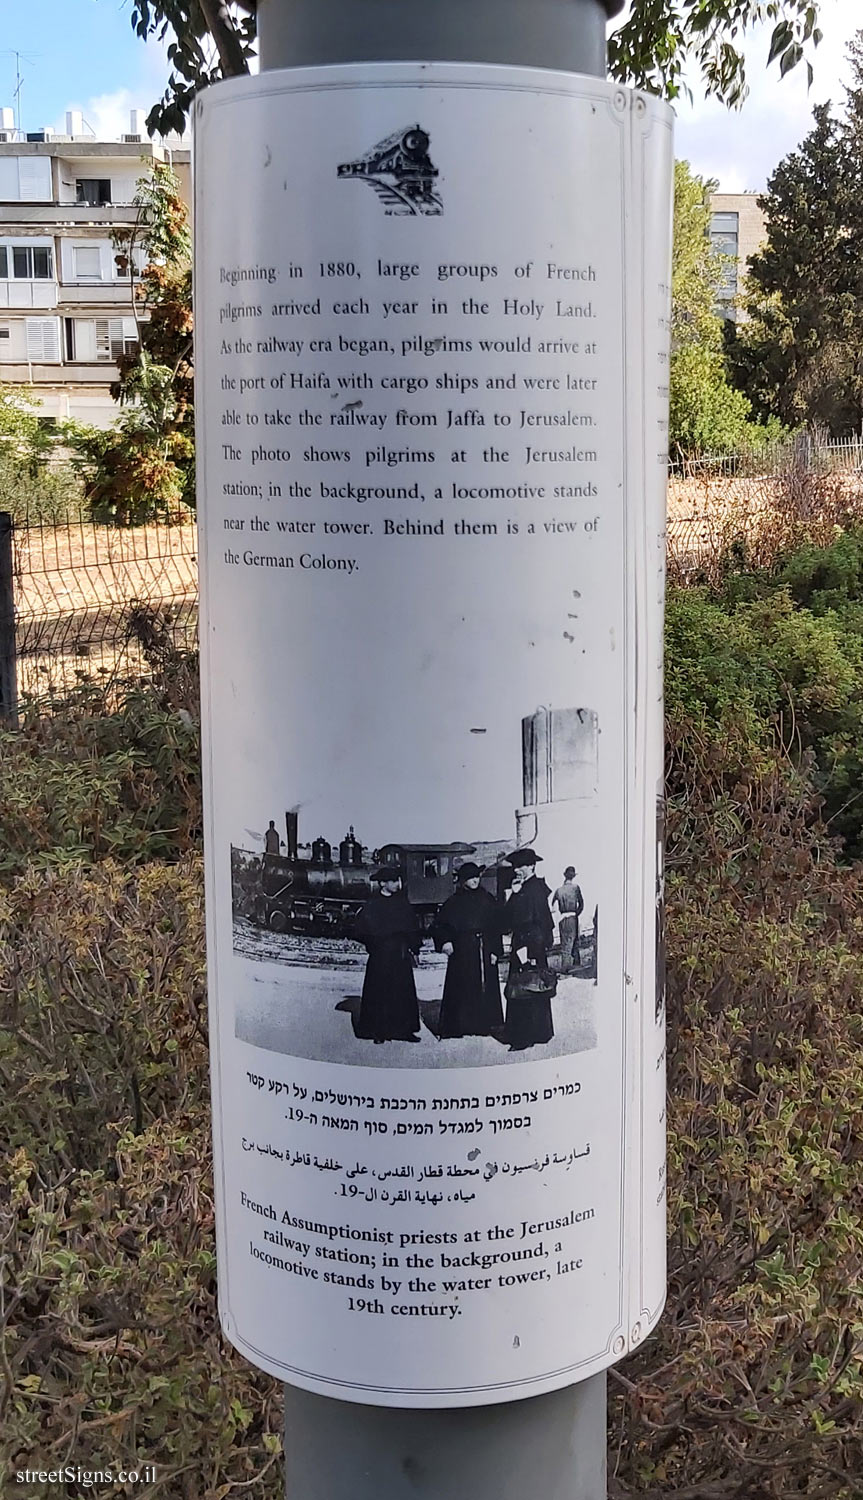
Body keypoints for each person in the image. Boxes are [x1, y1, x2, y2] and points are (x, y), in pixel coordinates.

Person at [433, 862, 504, 1038]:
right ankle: (461, 1025)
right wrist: (446, 942)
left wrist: (496, 950)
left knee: (484, 985)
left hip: (484, 947)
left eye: (477, 877)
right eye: (470, 877)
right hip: (462, 949)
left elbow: (496, 926)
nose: (474, 880)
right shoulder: (454, 901)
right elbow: (440, 926)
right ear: (463, 880)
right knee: (462, 985)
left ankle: (484, 1025)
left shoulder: (487, 899)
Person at [353, 869, 422, 1043]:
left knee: (402, 991)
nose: (396, 884)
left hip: (400, 954)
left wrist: (415, 948)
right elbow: (361, 930)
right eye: (392, 881)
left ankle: (404, 1030)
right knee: (380, 992)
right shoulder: (372, 904)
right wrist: (373, 944)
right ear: (383, 883)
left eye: (397, 880)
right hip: (380, 955)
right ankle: (378, 1031)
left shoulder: (402, 903)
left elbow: (412, 927)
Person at [501, 848, 555, 1051]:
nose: (517, 870)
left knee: (525, 987)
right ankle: (538, 1032)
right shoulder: (528, 888)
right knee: (532, 986)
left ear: (531, 866)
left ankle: (523, 1037)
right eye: (515, 866)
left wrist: (530, 951)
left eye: (521, 866)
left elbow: (537, 922)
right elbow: (509, 919)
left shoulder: (532, 889)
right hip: (529, 944)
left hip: (528, 945)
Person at [552, 866, 584, 973]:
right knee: (574, 940)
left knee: (565, 942)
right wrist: (576, 913)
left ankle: (566, 966)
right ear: (573, 877)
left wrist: (560, 914)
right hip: (572, 917)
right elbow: (581, 904)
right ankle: (573, 966)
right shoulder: (576, 888)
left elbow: (553, 904)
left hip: (562, 918)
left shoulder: (558, 890)